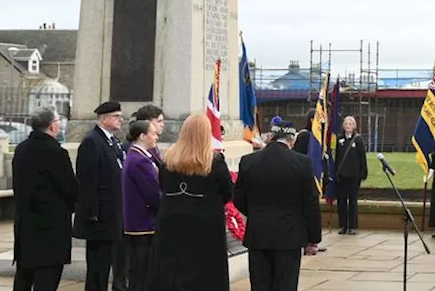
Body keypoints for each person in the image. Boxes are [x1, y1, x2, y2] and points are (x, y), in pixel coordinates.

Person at [235, 117, 322, 291]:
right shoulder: (301, 163)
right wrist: (313, 238)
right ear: (292, 140)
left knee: (260, 285)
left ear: (270, 137)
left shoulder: (249, 161)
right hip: (289, 236)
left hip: (258, 234)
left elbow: (238, 198)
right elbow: (311, 203)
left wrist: (255, 213)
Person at [149, 113, 233, 289]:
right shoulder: (214, 161)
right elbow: (227, 191)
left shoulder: (169, 158)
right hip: (205, 222)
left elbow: (163, 185)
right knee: (205, 271)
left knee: (172, 267)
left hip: (172, 219)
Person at [12, 107, 78, 291]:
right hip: (51, 227)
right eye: (58, 121)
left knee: (23, 277)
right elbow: (70, 189)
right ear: (52, 127)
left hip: (26, 224)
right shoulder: (56, 152)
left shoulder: (22, 149)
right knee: (47, 279)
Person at [75, 101, 125, 291]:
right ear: (104, 119)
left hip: (112, 213)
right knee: (98, 265)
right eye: (116, 116)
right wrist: (91, 210)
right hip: (99, 216)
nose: (121, 120)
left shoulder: (112, 141)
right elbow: (87, 179)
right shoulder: (92, 141)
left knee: (106, 263)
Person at [122, 120, 161, 291]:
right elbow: (153, 194)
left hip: (140, 223)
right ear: (142, 136)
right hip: (144, 224)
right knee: (142, 271)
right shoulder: (140, 160)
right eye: (153, 133)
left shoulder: (140, 156)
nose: (156, 137)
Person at [333, 115, 367, 235]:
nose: (348, 126)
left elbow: (362, 157)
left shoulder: (358, 140)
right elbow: (337, 157)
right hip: (342, 176)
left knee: (352, 201)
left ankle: (352, 226)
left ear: (354, 126)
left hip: (354, 176)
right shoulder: (339, 139)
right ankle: (343, 225)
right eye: (346, 124)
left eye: (350, 124)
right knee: (341, 201)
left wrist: (363, 173)